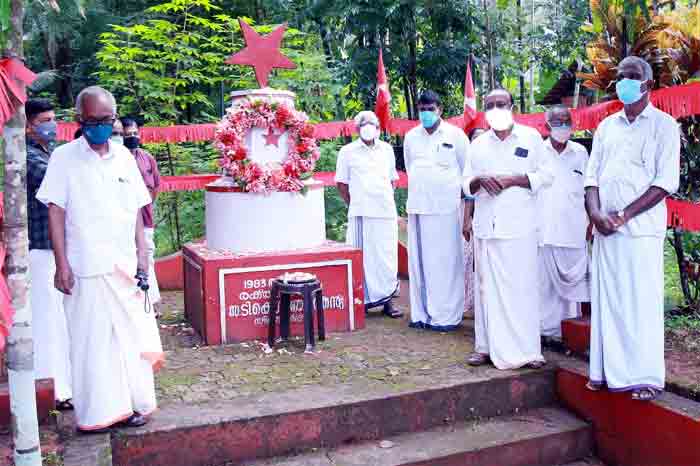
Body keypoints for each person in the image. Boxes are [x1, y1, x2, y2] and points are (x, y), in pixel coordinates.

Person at [37, 86, 164, 433]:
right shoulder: (64, 158)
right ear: (79, 121)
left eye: (107, 121)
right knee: (91, 345)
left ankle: (136, 406)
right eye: (93, 121)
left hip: (124, 268)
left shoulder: (124, 157)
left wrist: (143, 258)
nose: (101, 127)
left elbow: (138, 211)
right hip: (85, 268)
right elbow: (55, 213)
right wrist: (62, 265)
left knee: (130, 340)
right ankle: (98, 414)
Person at [584, 56, 679, 401]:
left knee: (640, 302)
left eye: (632, 76)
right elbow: (592, 177)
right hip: (605, 230)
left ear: (648, 84)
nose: (624, 80)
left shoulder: (664, 126)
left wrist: (622, 216)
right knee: (608, 302)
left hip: (640, 231)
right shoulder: (607, 127)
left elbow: (664, 183)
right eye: (621, 76)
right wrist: (596, 215)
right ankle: (606, 372)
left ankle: (645, 376)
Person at [463, 88, 553, 369]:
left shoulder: (531, 137)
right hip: (487, 227)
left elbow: (546, 176)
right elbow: (465, 183)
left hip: (521, 226)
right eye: (490, 105)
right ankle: (484, 347)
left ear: (512, 106)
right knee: (486, 290)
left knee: (523, 288)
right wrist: (480, 180)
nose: (496, 109)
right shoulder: (477, 145)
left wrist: (514, 179)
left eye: (501, 104)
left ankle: (529, 351)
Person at [403, 90, 470, 331]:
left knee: (448, 263)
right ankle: (422, 315)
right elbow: (411, 169)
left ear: (440, 109)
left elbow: (467, 173)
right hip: (420, 209)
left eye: (430, 108)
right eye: (422, 109)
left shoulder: (456, 135)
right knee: (421, 264)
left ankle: (447, 317)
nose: (426, 113)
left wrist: (467, 215)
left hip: (448, 210)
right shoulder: (411, 137)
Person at [25, 98, 73, 409]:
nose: (52, 125)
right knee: (46, 321)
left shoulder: (47, 153)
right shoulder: (27, 156)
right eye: (45, 120)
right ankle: (51, 389)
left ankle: (65, 384)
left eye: (54, 119)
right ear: (28, 125)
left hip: (56, 249)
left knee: (60, 320)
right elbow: (62, 183)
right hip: (40, 250)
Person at [335, 111, 402, 318]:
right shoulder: (347, 151)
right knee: (362, 257)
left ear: (379, 128)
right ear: (356, 129)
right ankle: (361, 301)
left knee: (386, 257)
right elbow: (341, 184)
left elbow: (392, 180)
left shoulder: (387, 150)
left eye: (372, 123)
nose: (368, 126)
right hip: (361, 213)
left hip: (385, 212)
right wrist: (355, 202)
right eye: (363, 123)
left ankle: (387, 301)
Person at [538, 105, 590, 344]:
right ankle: (544, 333)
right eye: (557, 122)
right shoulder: (537, 152)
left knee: (573, 291)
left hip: (575, 229)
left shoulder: (580, 152)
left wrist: (591, 222)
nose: (562, 126)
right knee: (543, 287)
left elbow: (590, 190)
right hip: (544, 230)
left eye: (566, 121)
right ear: (547, 125)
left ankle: (568, 336)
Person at [121, 117, 162, 315]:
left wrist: (145, 205)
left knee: (147, 257)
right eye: (127, 134)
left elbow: (155, 186)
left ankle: (150, 303)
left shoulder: (147, 158)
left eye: (135, 133)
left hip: (145, 219)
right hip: (122, 221)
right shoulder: (117, 159)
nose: (132, 137)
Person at [462, 127, 487, 317]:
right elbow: (470, 196)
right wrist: (467, 220)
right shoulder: (469, 163)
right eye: (475, 138)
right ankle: (472, 302)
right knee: (473, 262)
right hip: (475, 219)